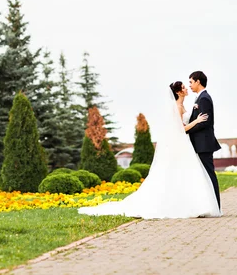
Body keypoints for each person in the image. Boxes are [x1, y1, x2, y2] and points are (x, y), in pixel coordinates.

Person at [78, 80, 221, 219]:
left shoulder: (182, 105)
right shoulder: (177, 107)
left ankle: (194, 203)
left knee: (186, 172)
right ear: (178, 92)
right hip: (181, 142)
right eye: (184, 87)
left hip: (185, 144)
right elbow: (181, 129)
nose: (187, 88)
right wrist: (196, 121)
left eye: (187, 85)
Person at [187, 71, 221, 209]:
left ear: (198, 82)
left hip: (204, 144)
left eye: (191, 82)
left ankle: (216, 206)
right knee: (204, 175)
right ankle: (209, 205)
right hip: (200, 144)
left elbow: (205, 122)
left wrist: (187, 129)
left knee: (209, 174)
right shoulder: (199, 98)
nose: (189, 85)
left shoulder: (204, 99)